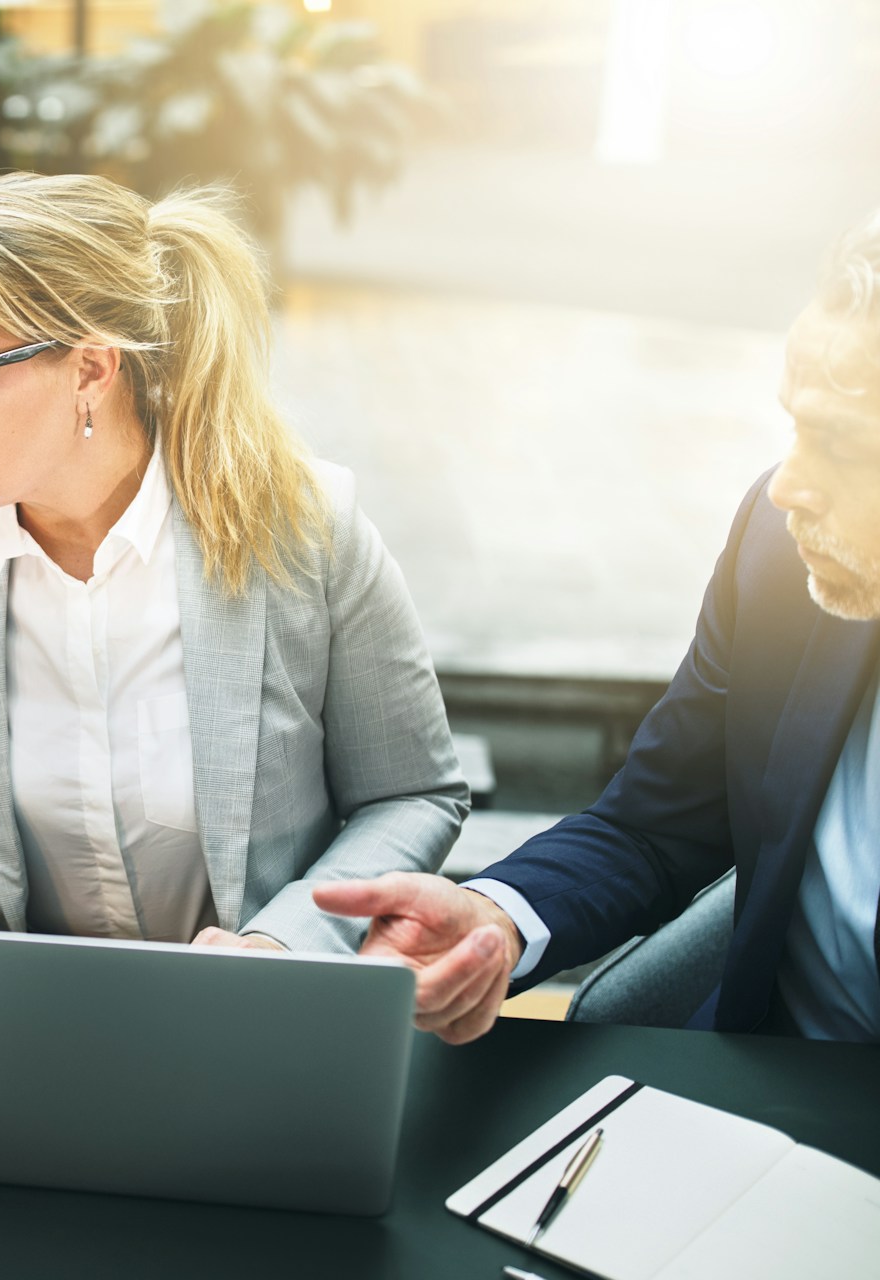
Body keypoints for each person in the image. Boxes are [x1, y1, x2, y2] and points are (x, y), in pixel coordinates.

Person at [0, 171, 468, 951]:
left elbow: (410, 794)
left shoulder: (306, 531)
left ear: (92, 371)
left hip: (250, 1026)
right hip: (11, 1021)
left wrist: (287, 945)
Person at [317, 211, 880, 1045]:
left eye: (835, 442)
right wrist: (490, 920)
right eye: (794, 425)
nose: (787, 486)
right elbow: (653, 826)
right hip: (770, 1074)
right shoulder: (778, 559)